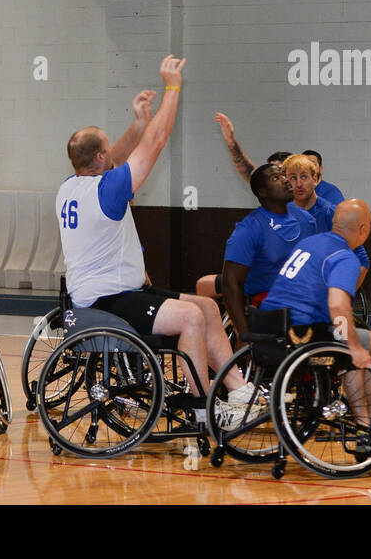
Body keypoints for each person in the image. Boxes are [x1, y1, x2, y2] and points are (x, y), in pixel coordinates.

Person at [59, 56, 254, 419]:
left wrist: (138, 123)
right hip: (106, 300)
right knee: (191, 319)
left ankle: (240, 390)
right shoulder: (107, 191)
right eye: (107, 152)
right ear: (101, 158)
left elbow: (110, 157)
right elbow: (157, 142)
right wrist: (172, 87)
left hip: (117, 290)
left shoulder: (70, 187)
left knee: (209, 306)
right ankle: (202, 406)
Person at [260, 199, 371, 424]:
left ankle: (366, 422)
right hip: (302, 333)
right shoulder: (345, 257)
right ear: (363, 229)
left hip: (268, 325)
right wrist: (355, 348)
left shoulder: (308, 243)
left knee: (344, 336)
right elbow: (337, 306)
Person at [201, 162, 316, 339]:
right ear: (263, 192)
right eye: (276, 178)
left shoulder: (307, 220)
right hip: (270, 304)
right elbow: (231, 283)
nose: (286, 181)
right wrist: (244, 332)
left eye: (285, 175)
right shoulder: (249, 229)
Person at [281, 153, 369, 285]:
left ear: (315, 179)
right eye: (293, 178)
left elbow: (362, 260)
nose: (299, 184)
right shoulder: (282, 214)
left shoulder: (332, 214)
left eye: (304, 177)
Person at [212, 111, 289, 183]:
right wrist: (231, 142)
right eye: (274, 175)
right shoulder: (269, 189)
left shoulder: (298, 188)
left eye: (282, 172)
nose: (280, 179)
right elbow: (249, 171)